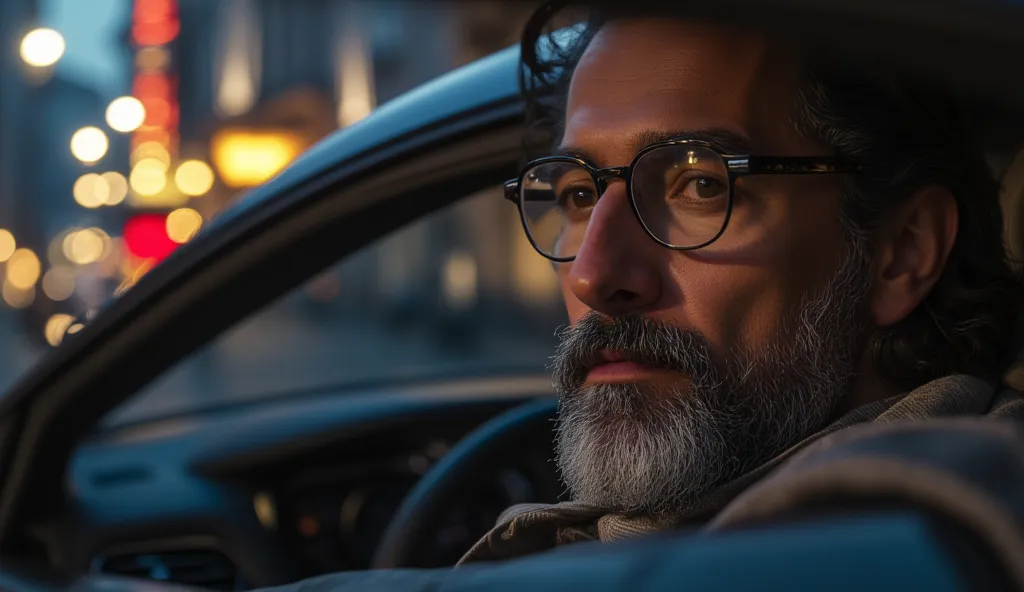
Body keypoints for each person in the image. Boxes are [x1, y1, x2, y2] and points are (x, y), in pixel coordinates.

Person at [267, 1, 1024, 589]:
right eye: (574, 193)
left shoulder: (958, 519)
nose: (594, 274)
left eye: (700, 184)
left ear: (902, 253)